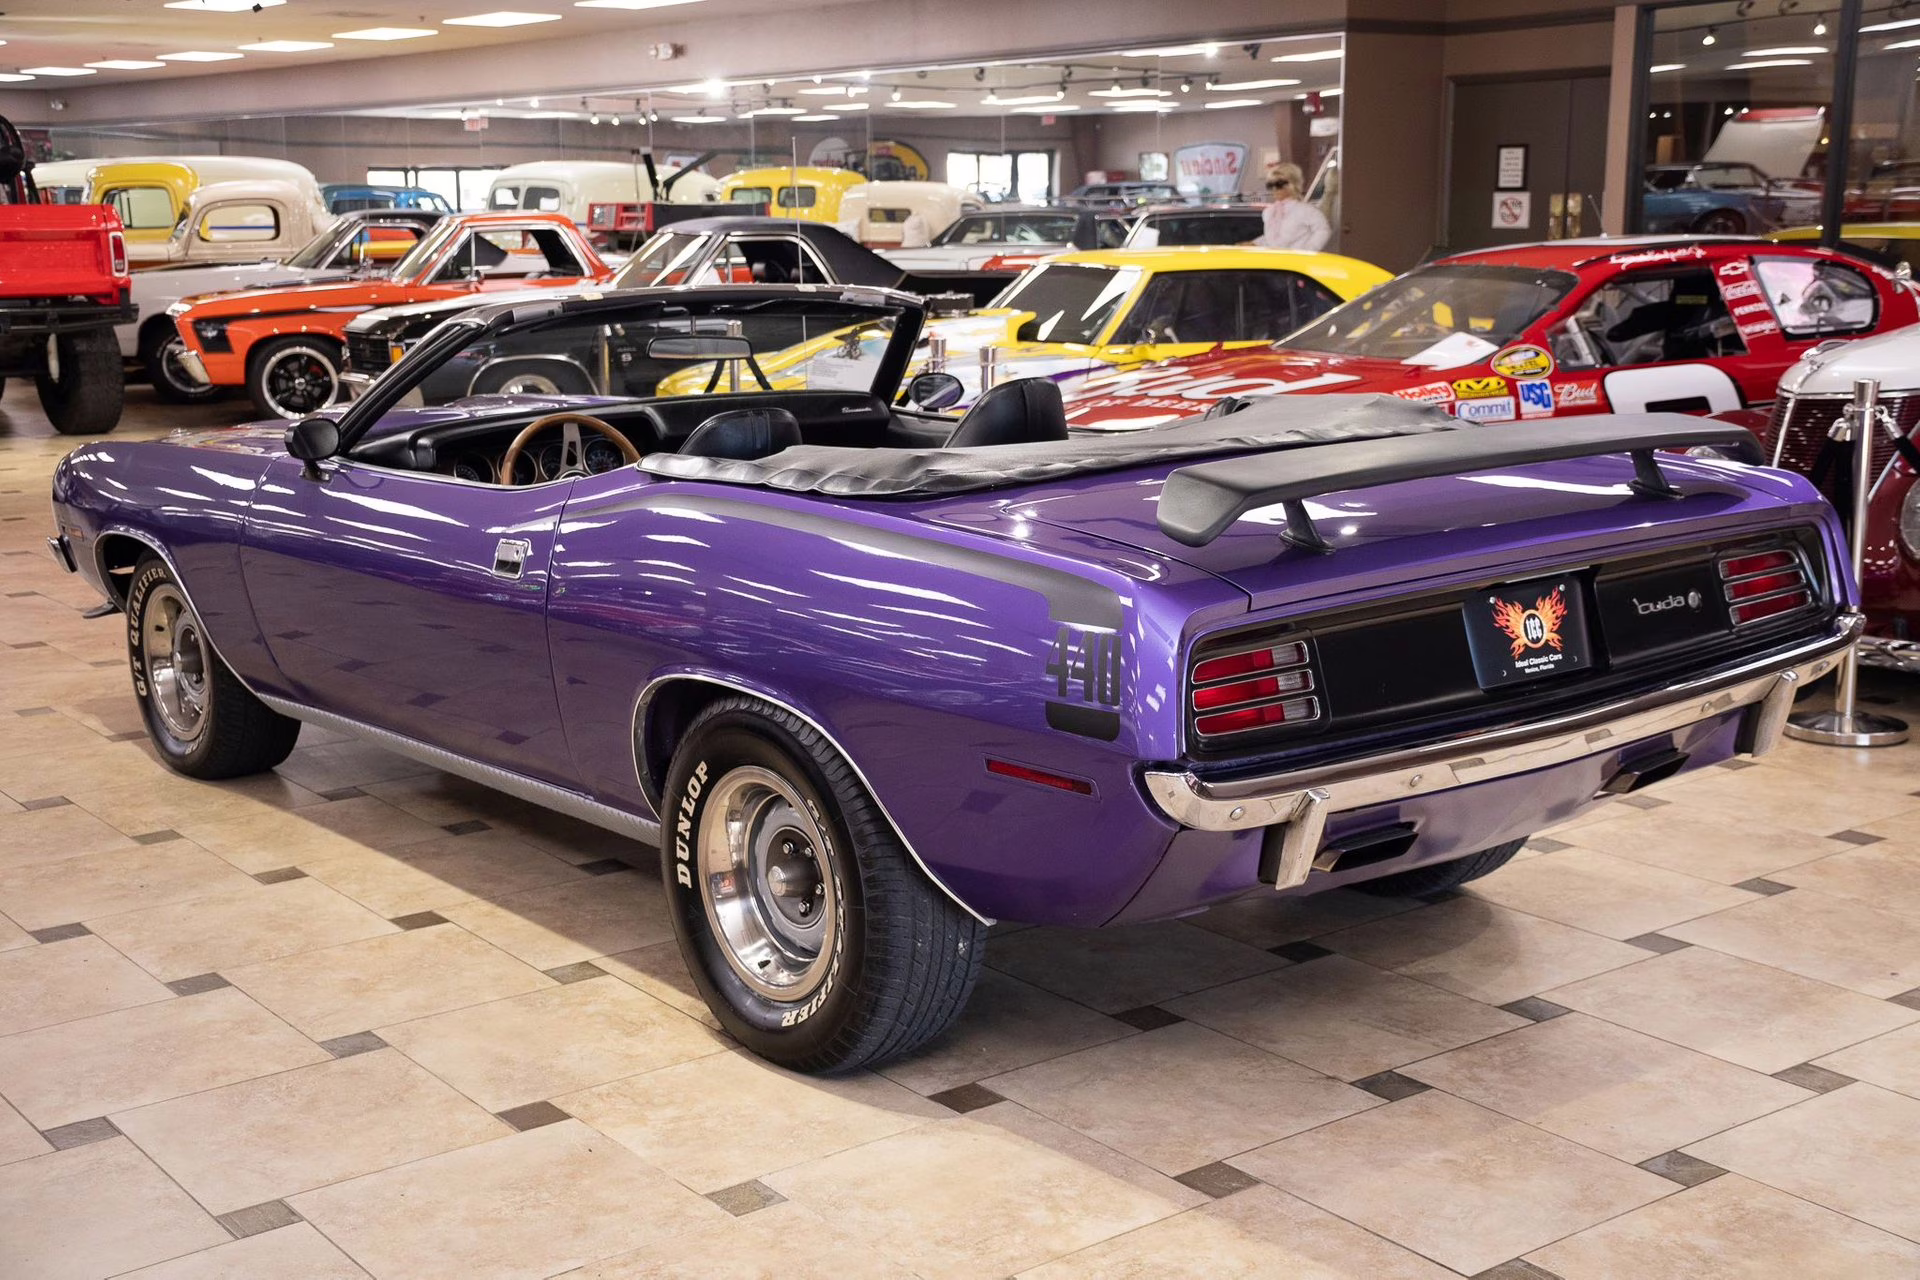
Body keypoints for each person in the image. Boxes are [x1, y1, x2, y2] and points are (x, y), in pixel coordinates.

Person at [1251, 161, 1331, 251]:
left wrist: (1308, 251)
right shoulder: (1269, 212)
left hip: (1297, 262)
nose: (1274, 188)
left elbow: (1323, 231)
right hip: (1273, 261)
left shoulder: (1306, 210)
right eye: (1270, 185)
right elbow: (1272, 240)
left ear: (1292, 184)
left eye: (1279, 184)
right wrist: (1254, 244)